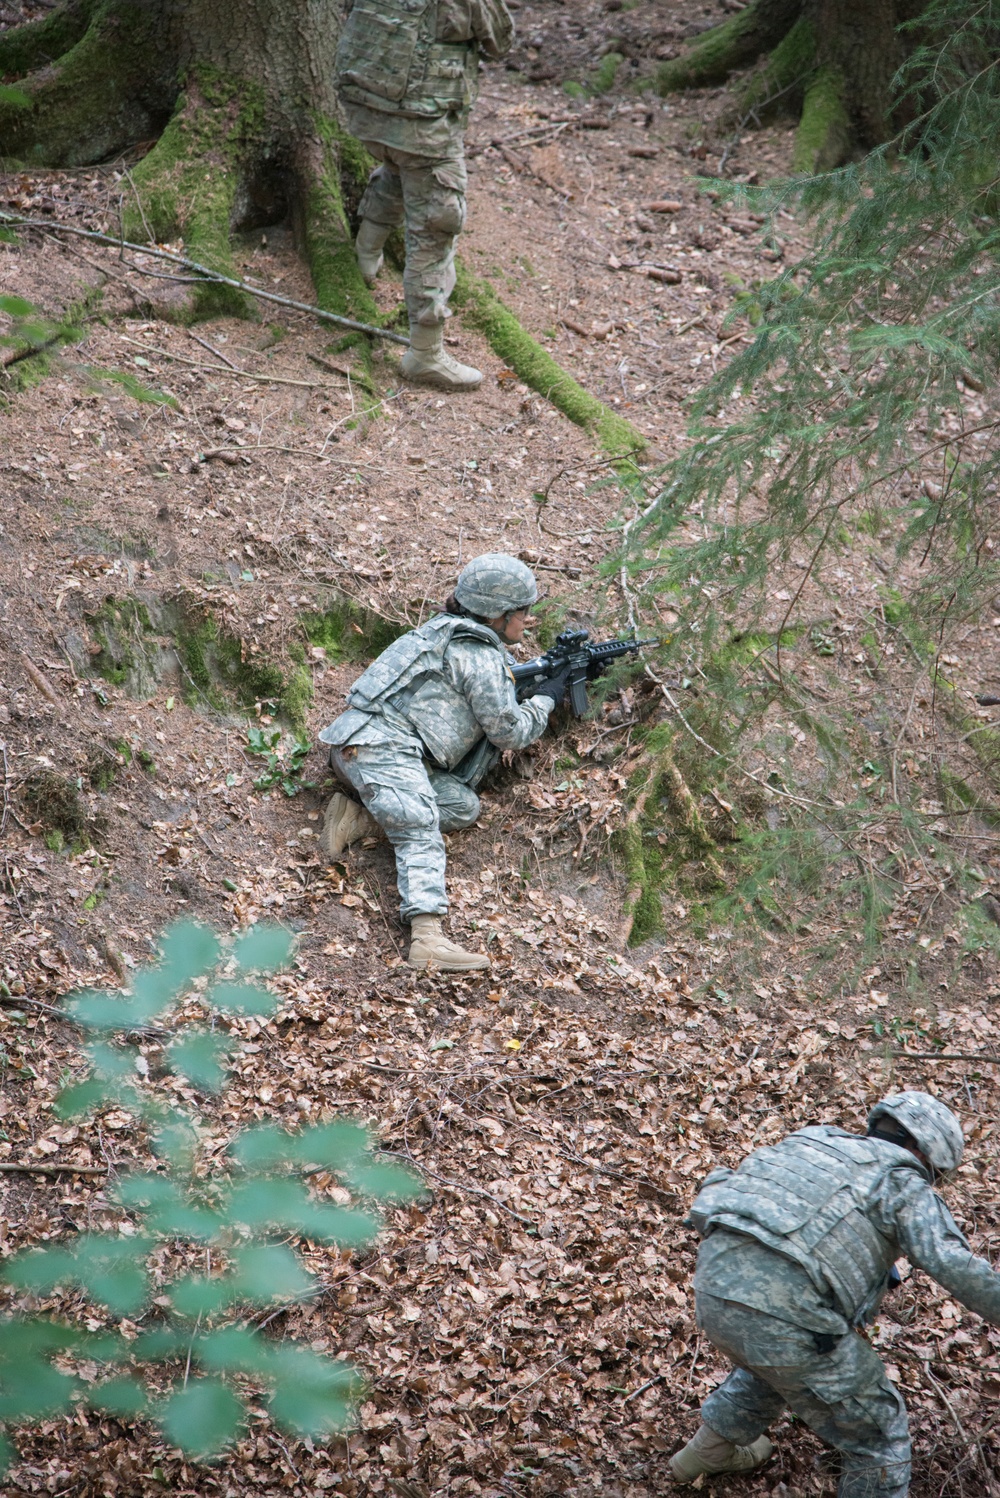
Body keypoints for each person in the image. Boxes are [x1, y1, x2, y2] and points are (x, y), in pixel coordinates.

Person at [670, 1090, 1000, 1495]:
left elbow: (728, 1183)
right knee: (879, 1432)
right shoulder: (901, 1182)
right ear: (924, 1153)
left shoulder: (816, 1140)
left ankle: (709, 1451)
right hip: (785, 1312)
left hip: (712, 1286)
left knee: (779, 1358)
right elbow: (956, 1266)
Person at [318, 554, 568, 971]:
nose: (527, 621)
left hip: (357, 749)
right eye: (522, 612)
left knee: (462, 806)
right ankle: (427, 939)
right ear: (497, 614)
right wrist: (547, 699)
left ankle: (356, 818)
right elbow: (509, 733)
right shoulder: (478, 655)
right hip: (382, 749)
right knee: (418, 827)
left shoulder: (439, 632)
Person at [335, 0, 514, 393]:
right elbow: (501, 41)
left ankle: (366, 256)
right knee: (436, 225)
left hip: (365, 108)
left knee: (398, 169)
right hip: (422, 122)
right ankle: (426, 353)